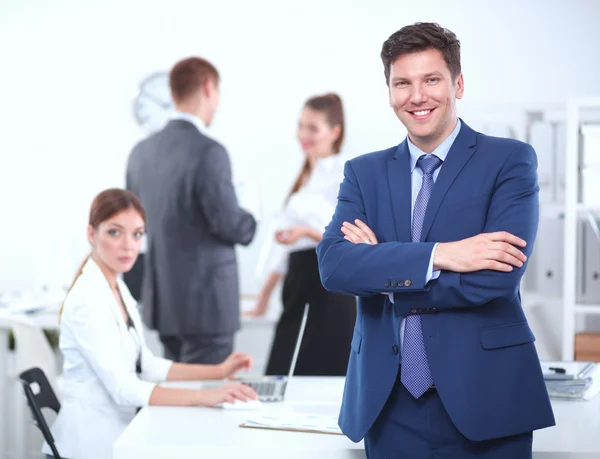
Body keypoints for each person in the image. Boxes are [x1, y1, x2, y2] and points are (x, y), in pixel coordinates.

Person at [316, 23, 555, 458]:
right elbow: (334, 266)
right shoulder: (363, 173)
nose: (417, 96)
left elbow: (495, 280)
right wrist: (445, 255)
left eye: (431, 79)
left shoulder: (509, 161)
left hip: (486, 395)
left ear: (457, 83)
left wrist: (385, 273)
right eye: (402, 83)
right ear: (389, 91)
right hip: (387, 403)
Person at [43, 189, 257, 459]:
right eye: (114, 232)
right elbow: (124, 388)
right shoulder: (88, 300)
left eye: (137, 234)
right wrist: (207, 397)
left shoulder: (116, 287)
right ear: (91, 234)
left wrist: (218, 371)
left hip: (119, 431)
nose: (129, 245)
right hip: (91, 443)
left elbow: (147, 364)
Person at [126, 57, 257, 365]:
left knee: (179, 397)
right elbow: (230, 225)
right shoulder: (209, 151)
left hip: (163, 302)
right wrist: (251, 216)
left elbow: (135, 224)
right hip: (206, 307)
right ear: (209, 87)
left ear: (172, 93)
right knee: (204, 401)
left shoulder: (140, 153)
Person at [246, 94, 356, 376]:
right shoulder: (305, 177)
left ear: (334, 132)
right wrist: (262, 299)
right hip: (297, 284)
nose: (303, 135)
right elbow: (284, 253)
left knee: (324, 376)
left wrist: (306, 232)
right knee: (283, 371)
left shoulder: (346, 173)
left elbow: (352, 238)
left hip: (327, 286)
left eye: (313, 128)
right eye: (301, 126)